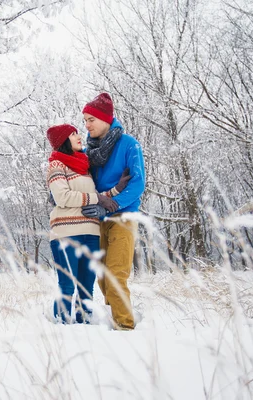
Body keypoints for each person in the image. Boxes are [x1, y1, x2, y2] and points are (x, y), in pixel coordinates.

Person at [46, 124, 130, 324]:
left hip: (91, 233)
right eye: (73, 134)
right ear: (63, 140)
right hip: (66, 233)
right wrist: (97, 199)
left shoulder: (84, 168)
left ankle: (84, 324)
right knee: (67, 285)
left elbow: (95, 198)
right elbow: (63, 197)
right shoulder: (56, 165)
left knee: (86, 286)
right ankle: (62, 327)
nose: (78, 136)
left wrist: (116, 190)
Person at [81, 93, 146, 330]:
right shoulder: (90, 150)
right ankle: (113, 318)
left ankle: (126, 328)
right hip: (98, 218)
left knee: (117, 274)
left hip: (123, 216)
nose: (86, 125)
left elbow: (138, 183)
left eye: (91, 120)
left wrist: (114, 203)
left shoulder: (129, 144)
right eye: (85, 120)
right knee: (102, 276)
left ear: (105, 119)